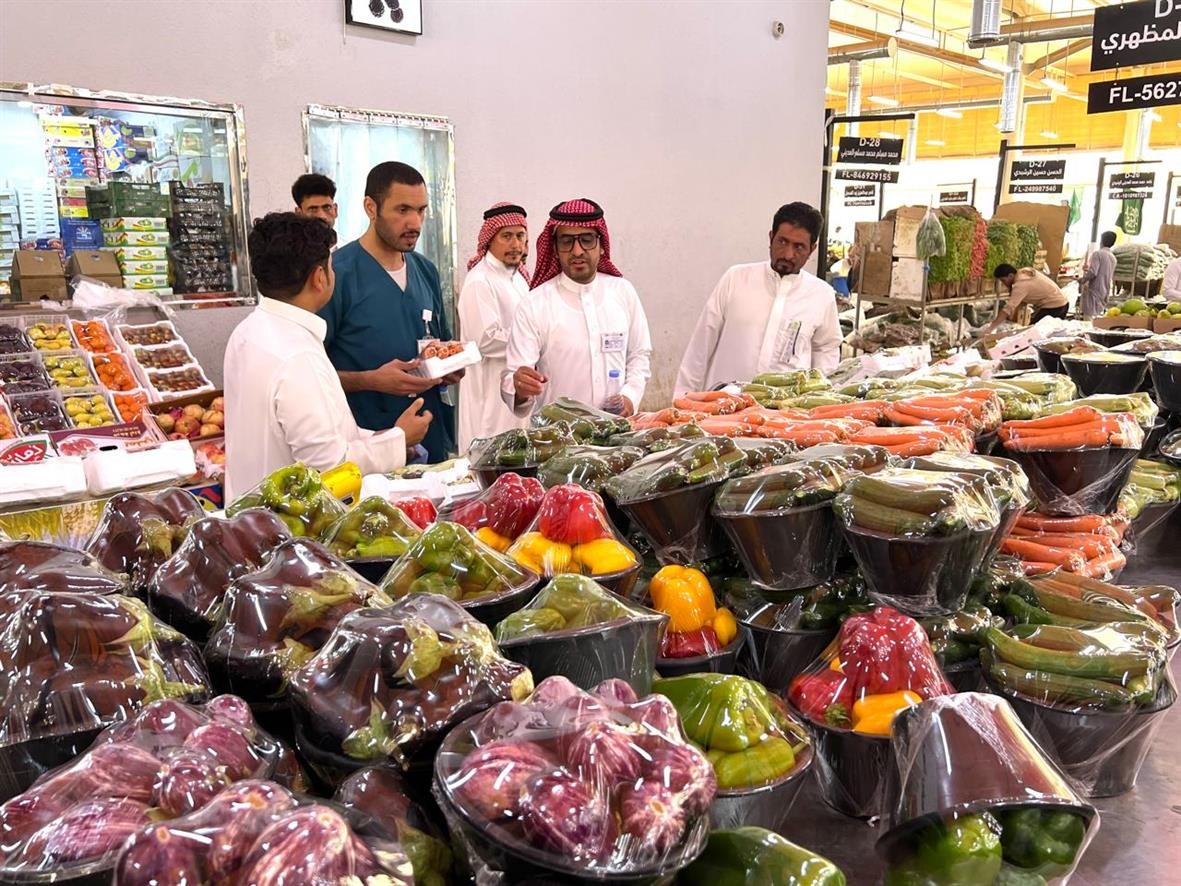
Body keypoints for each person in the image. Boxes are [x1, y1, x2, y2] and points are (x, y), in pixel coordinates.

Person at [223, 213, 431, 500]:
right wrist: (399, 439)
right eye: (331, 267)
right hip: (287, 523)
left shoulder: (247, 331)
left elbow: (327, 435)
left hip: (252, 511)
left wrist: (384, 437)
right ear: (320, 278)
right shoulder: (297, 356)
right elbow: (327, 466)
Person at [319, 161, 463, 463]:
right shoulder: (337, 276)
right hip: (367, 446)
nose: (415, 223)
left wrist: (451, 366)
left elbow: (440, 343)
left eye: (421, 210)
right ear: (371, 207)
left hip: (430, 439)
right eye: (402, 210)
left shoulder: (425, 271)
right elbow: (313, 375)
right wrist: (371, 380)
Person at [674, 202, 842, 395]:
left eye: (799, 247)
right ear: (771, 237)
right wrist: (682, 399)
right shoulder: (736, 279)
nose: (788, 254)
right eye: (782, 242)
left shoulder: (821, 295)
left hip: (785, 416)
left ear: (812, 249)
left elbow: (826, 351)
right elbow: (701, 345)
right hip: (723, 407)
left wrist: (818, 404)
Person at [504, 198, 651, 417]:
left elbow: (639, 355)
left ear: (601, 245)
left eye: (586, 239)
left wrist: (630, 397)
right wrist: (520, 387)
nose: (577, 251)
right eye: (566, 241)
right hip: (557, 440)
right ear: (555, 248)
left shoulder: (623, 292)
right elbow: (516, 374)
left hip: (617, 435)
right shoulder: (535, 304)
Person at [457, 202, 531, 452]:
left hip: (516, 393)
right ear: (489, 240)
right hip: (489, 398)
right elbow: (486, 340)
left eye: (520, 236)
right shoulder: (480, 280)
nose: (515, 244)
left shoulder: (518, 278)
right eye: (506, 236)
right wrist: (533, 339)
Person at [981, 263, 1070, 335]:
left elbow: (1007, 309)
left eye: (1004, 281)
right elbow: (1021, 301)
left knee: (1033, 335)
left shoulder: (1020, 284)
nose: (1004, 284)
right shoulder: (1023, 272)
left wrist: (991, 328)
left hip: (1054, 307)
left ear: (1011, 275)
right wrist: (1013, 314)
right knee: (1050, 333)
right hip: (1063, 303)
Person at [1078, 231, 1116, 319]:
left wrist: (1083, 279)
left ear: (1101, 241)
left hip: (1094, 289)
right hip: (1105, 290)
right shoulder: (1113, 257)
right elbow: (1103, 272)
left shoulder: (1098, 254)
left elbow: (1093, 272)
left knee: (1088, 317)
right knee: (1098, 318)